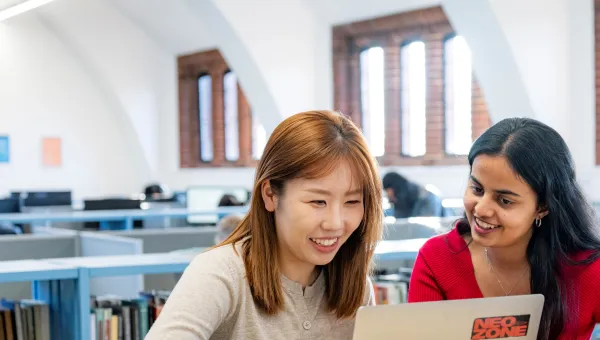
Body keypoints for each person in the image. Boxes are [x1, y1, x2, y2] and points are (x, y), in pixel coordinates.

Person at [145, 110, 384, 339]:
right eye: (317, 201)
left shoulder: (355, 284)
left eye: (352, 201)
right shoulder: (222, 273)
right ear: (270, 195)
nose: (335, 223)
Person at [408, 118, 600, 340]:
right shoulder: (437, 259)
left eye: (504, 201)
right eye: (477, 189)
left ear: (543, 206)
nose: (481, 209)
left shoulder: (586, 269)